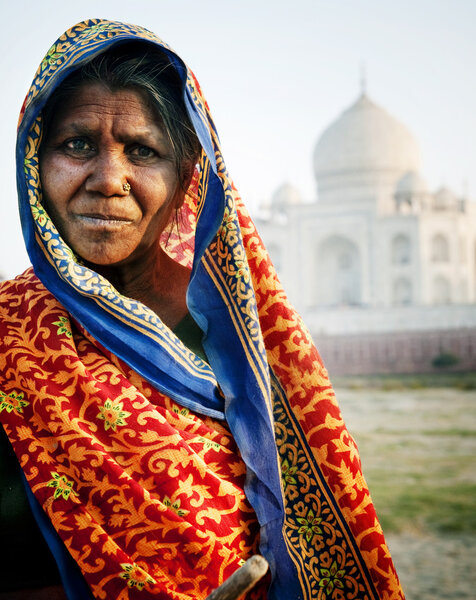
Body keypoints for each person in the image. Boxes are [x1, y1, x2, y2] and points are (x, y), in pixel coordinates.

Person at [0, 19, 404, 600]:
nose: (108, 179)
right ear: (35, 158)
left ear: (188, 173)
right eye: (77, 144)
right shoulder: (12, 337)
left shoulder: (242, 343)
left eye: (141, 150)